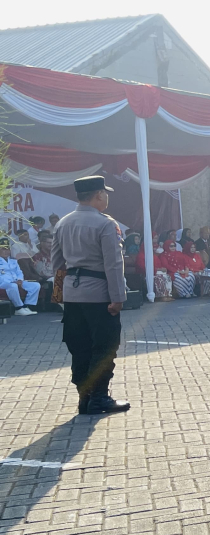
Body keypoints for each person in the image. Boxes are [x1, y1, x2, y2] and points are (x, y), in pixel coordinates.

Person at [50, 176, 129, 413]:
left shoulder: (63, 223)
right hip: (99, 295)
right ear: (98, 194)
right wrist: (118, 297)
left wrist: (59, 295)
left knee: (80, 346)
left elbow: (57, 264)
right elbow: (113, 263)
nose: (106, 197)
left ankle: (84, 397)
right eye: (105, 193)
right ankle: (99, 397)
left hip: (72, 296)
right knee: (104, 346)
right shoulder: (105, 224)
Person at [0, 238, 41, 316]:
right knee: (13, 286)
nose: (6, 251)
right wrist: (12, 282)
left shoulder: (13, 260)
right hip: (3, 283)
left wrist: (20, 280)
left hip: (16, 281)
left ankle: (27, 306)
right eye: (3, 249)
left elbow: (19, 272)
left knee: (35, 285)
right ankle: (18, 308)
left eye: (8, 249)